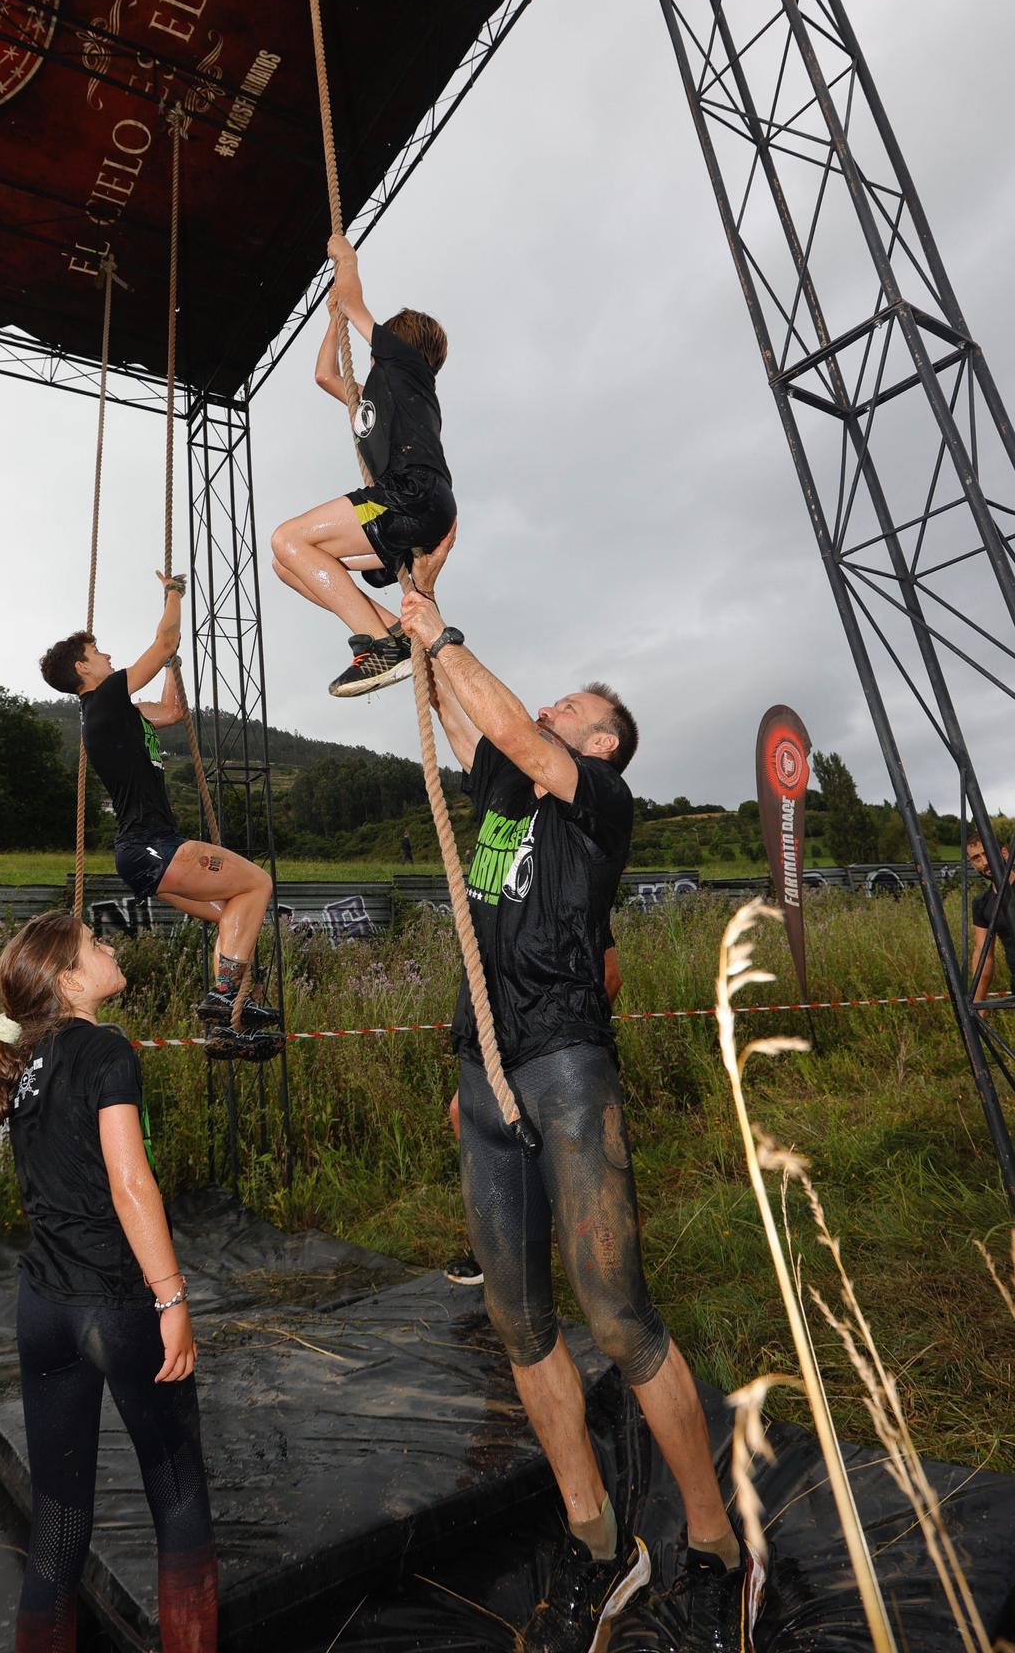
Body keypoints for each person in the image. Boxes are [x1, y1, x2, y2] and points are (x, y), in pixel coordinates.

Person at [399, 544, 764, 1653]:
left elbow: (507, 720)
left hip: (563, 1061)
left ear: (600, 741)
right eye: (554, 698)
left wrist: (444, 635)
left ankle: (712, 1546)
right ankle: (598, 1534)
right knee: (518, 1318)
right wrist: (418, 604)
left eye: (574, 704)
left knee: (617, 1313)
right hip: (484, 1066)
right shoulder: (508, 786)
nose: (553, 704)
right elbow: (466, 719)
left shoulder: (600, 799)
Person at [0, 912, 217, 1652]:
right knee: (178, 1493)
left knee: (57, 1518)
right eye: (97, 943)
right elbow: (129, 1182)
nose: (112, 947)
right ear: (71, 978)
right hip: (115, 1305)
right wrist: (171, 1296)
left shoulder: (25, 1059)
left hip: (42, 1308)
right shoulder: (107, 1048)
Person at [40, 573, 279, 1051]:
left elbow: (171, 712)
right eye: (98, 652)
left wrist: (173, 667)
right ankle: (224, 994)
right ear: (83, 670)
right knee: (257, 883)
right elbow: (165, 637)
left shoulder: (118, 712)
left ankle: (228, 1019)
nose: (107, 656)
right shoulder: (103, 699)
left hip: (144, 854)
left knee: (234, 910)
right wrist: (174, 593)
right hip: (153, 846)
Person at [270, 235, 455, 698]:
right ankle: (392, 631)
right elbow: (325, 376)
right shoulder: (379, 393)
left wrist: (346, 259)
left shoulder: (406, 366)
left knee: (287, 537)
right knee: (288, 563)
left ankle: (373, 644)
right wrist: (334, 319)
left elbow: (354, 300)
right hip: (407, 505)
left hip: (411, 495)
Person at [443, 930, 622, 1289]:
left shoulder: (568, 893)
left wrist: (572, 1037)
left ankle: (607, 1269)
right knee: (463, 1112)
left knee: (574, 1155)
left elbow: (610, 976)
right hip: (508, 1045)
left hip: (555, 1049)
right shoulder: (507, 904)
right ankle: (493, 1249)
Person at [966, 832, 1014, 1001]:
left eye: (987, 853)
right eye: (977, 858)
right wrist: (978, 1006)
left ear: (1004, 852)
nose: (984, 862)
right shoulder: (982, 904)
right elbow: (983, 956)